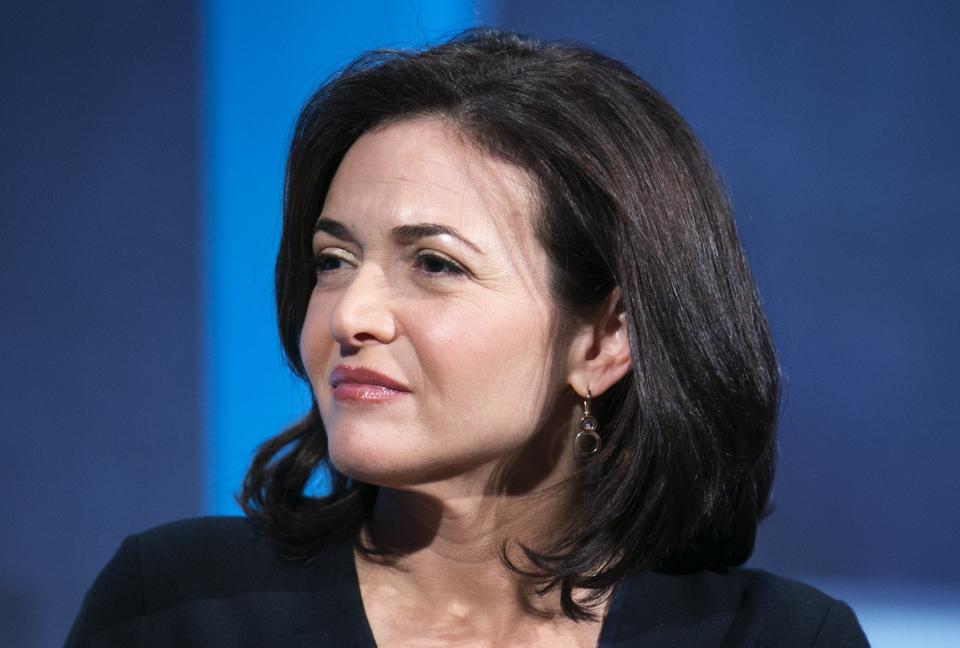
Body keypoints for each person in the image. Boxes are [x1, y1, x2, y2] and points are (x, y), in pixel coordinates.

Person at [67, 29, 869, 647]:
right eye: (333, 260)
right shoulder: (174, 606)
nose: (351, 315)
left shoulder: (774, 637)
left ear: (604, 341)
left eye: (435, 264)